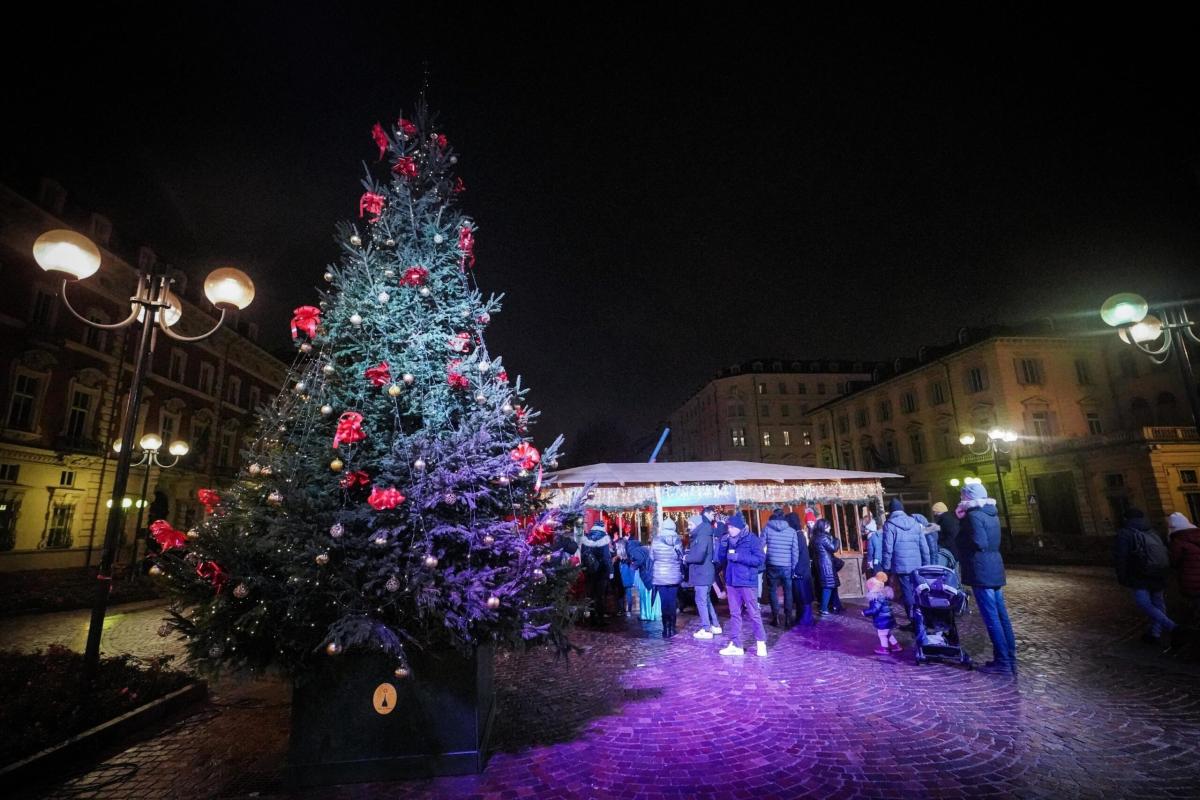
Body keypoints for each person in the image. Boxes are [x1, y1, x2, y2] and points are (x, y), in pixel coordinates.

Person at [956, 483, 1017, 675]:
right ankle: (1010, 657)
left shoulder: (973, 516)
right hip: (995, 567)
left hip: (981, 569)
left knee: (991, 617)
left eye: (963, 496)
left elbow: (978, 542)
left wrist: (963, 527)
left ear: (969, 498)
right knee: (1001, 615)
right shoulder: (992, 514)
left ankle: (1003, 661)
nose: (961, 499)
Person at [1114, 507, 1182, 650]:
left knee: (1144, 603)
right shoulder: (1152, 530)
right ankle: (1154, 634)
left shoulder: (1125, 533)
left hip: (1139, 573)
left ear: (1126, 518)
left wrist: (1122, 576)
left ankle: (1173, 627)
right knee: (1158, 602)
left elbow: (1121, 557)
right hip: (1158, 571)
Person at [717, 513, 768, 656]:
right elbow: (721, 559)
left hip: (747, 582)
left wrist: (739, 557)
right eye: (729, 527)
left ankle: (761, 642)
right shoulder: (727, 540)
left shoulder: (752, 539)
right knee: (734, 614)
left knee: (753, 613)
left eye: (732, 527)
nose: (730, 530)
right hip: (732, 582)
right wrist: (722, 546)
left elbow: (760, 560)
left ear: (740, 527)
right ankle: (736, 644)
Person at [880, 498, 931, 628]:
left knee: (907, 592)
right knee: (919, 590)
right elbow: (923, 546)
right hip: (917, 564)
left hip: (901, 565)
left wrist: (885, 567)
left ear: (890, 511)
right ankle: (924, 618)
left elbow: (887, 548)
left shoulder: (889, 525)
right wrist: (926, 563)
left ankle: (914, 621)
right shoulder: (914, 523)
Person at [686, 508, 721, 639]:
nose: (688, 527)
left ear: (696, 524)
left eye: (690, 524)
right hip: (705, 572)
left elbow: (699, 555)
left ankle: (706, 629)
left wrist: (686, 558)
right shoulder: (704, 534)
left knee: (701, 600)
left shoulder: (702, 535)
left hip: (702, 573)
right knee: (705, 600)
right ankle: (715, 625)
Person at [762, 508, 799, 626]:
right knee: (788, 591)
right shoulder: (792, 531)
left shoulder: (767, 529)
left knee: (772, 591)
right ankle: (788, 618)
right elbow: (795, 551)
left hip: (772, 565)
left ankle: (775, 617)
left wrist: (765, 559)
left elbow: (760, 546)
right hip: (787, 566)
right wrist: (793, 567)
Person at [651, 517, 685, 639]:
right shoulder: (677, 540)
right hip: (673, 575)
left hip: (660, 576)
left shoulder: (656, 540)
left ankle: (665, 629)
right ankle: (672, 627)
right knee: (672, 602)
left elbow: (651, 556)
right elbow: (681, 557)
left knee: (664, 603)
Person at [1168, 512, 1200, 626]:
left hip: (1190, 580)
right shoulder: (1198, 534)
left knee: (1195, 604)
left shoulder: (1178, 542)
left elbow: (1173, 562)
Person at [785, 511, 815, 625]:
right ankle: (801, 617)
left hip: (800, 571)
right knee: (801, 596)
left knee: (804, 596)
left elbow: (799, 555)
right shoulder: (798, 535)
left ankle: (806, 619)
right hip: (801, 570)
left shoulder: (798, 536)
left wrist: (797, 571)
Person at [580, 521, 613, 626]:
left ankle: (592, 617)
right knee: (600, 595)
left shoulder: (586, 538)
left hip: (589, 571)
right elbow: (606, 557)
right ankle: (600, 618)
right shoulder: (604, 538)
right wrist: (611, 571)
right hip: (601, 571)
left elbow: (583, 556)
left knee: (591, 594)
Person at [862, 573, 901, 655]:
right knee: (887, 633)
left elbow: (875, 609)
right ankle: (896, 646)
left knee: (882, 634)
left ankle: (885, 648)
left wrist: (865, 612)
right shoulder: (884, 594)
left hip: (882, 619)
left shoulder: (876, 597)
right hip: (888, 618)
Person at [810, 518, 843, 615]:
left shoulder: (814, 537)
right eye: (828, 526)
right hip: (826, 565)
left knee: (831, 585)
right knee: (828, 586)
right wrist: (837, 540)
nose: (830, 528)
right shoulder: (823, 537)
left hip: (821, 564)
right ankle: (823, 608)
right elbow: (833, 548)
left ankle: (836, 605)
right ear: (823, 527)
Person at [626, 535, 661, 622]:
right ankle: (654, 614)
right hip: (653, 575)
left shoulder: (635, 551)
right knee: (653, 595)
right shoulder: (643, 548)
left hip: (646, 576)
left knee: (646, 595)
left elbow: (639, 560)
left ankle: (647, 615)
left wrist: (632, 566)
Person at [617, 535, 637, 616]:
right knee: (628, 592)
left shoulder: (619, 556)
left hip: (622, 573)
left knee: (621, 592)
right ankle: (628, 610)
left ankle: (621, 610)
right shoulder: (629, 554)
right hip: (628, 574)